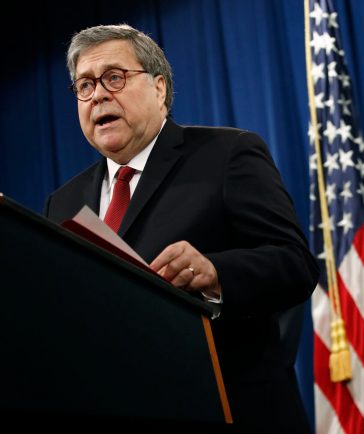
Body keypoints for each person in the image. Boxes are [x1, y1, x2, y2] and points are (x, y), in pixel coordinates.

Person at [44, 24, 318, 433]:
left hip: (229, 407)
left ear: (159, 88)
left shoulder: (227, 154)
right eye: (84, 85)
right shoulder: (63, 203)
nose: (98, 94)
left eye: (114, 78)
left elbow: (296, 264)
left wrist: (215, 272)